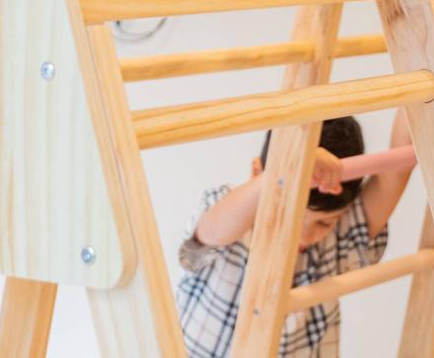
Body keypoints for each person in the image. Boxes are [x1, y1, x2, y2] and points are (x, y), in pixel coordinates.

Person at [176, 114, 413, 357]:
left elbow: (398, 170)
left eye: (324, 223)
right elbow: (210, 233)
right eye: (292, 215)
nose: (304, 236)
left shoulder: (338, 238)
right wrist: (287, 167)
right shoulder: (231, 214)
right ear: (257, 173)